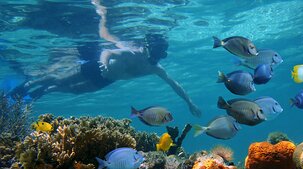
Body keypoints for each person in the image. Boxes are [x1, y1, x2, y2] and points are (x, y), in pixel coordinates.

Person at [9, 1, 201, 117]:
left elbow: (174, 85)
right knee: (58, 78)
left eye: (161, 55)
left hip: (107, 80)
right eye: (157, 53)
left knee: (74, 92)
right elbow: (107, 52)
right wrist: (104, 64)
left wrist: (190, 103)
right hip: (98, 68)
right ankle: (29, 84)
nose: (158, 58)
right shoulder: (134, 53)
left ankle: (43, 91)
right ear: (150, 48)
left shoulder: (155, 68)